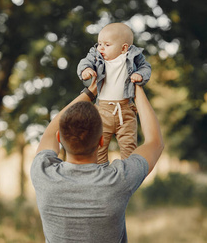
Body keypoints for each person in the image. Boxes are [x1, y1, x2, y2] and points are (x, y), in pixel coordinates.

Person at [30, 79, 164, 243]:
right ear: (101, 141)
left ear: (60, 137)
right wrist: (135, 89)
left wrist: (89, 92)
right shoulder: (117, 181)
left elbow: (50, 131)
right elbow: (155, 142)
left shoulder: (43, 173)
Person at [77, 23, 151, 164]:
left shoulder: (133, 55)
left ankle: (127, 176)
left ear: (123, 48)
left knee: (129, 146)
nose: (101, 48)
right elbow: (85, 62)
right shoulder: (97, 55)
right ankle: (102, 173)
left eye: (106, 44)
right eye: (99, 43)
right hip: (102, 110)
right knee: (98, 146)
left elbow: (146, 67)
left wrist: (140, 75)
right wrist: (85, 70)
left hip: (126, 111)